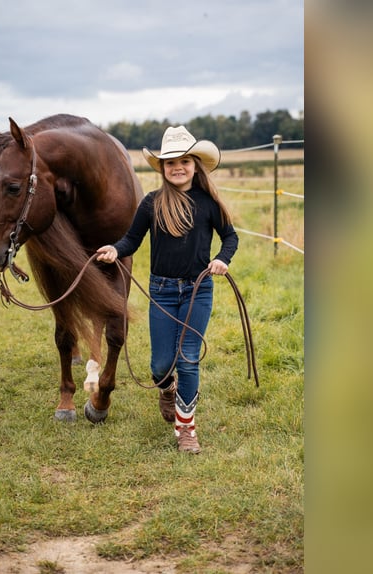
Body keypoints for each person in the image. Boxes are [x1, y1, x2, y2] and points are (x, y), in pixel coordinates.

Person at [96, 126, 238, 454]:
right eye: (170, 162)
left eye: (184, 161)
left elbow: (230, 236)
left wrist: (221, 258)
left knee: (188, 358)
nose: (177, 167)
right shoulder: (152, 203)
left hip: (197, 291)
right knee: (160, 366)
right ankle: (167, 387)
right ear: (161, 167)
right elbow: (132, 239)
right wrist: (116, 250)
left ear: (195, 165)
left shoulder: (208, 203)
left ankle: (186, 427)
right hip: (161, 292)